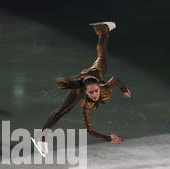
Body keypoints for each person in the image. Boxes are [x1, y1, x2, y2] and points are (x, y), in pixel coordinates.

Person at [36, 22, 131, 155]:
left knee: (102, 52)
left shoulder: (104, 86)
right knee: (62, 111)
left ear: (100, 86)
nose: (94, 95)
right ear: (85, 93)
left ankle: (102, 29)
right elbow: (89, 130)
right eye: (91, 93)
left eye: (96, 91)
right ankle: (41, 137)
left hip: (95, 72)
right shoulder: (82, 95)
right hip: (82, 81)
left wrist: (124, 90)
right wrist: (108, 138)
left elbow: (115, 79)